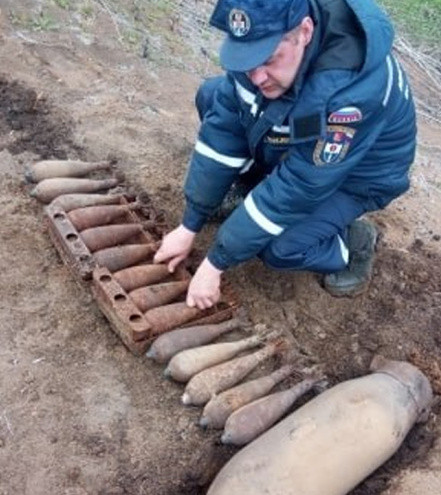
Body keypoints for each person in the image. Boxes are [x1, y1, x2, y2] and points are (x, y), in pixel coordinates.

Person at [154, 0, 417, 309]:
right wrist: (190, 224)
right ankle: (251, 193)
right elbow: (224, 131)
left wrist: (215, 263)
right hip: (303, 140)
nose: (257, 76)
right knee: (213, 95)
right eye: (247, 61)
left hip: (355, 176)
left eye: (269, 59)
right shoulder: (259, 58)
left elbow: (301, 186)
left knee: (279, 248)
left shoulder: (350, 95)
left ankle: (353, 241)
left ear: (304, 32)